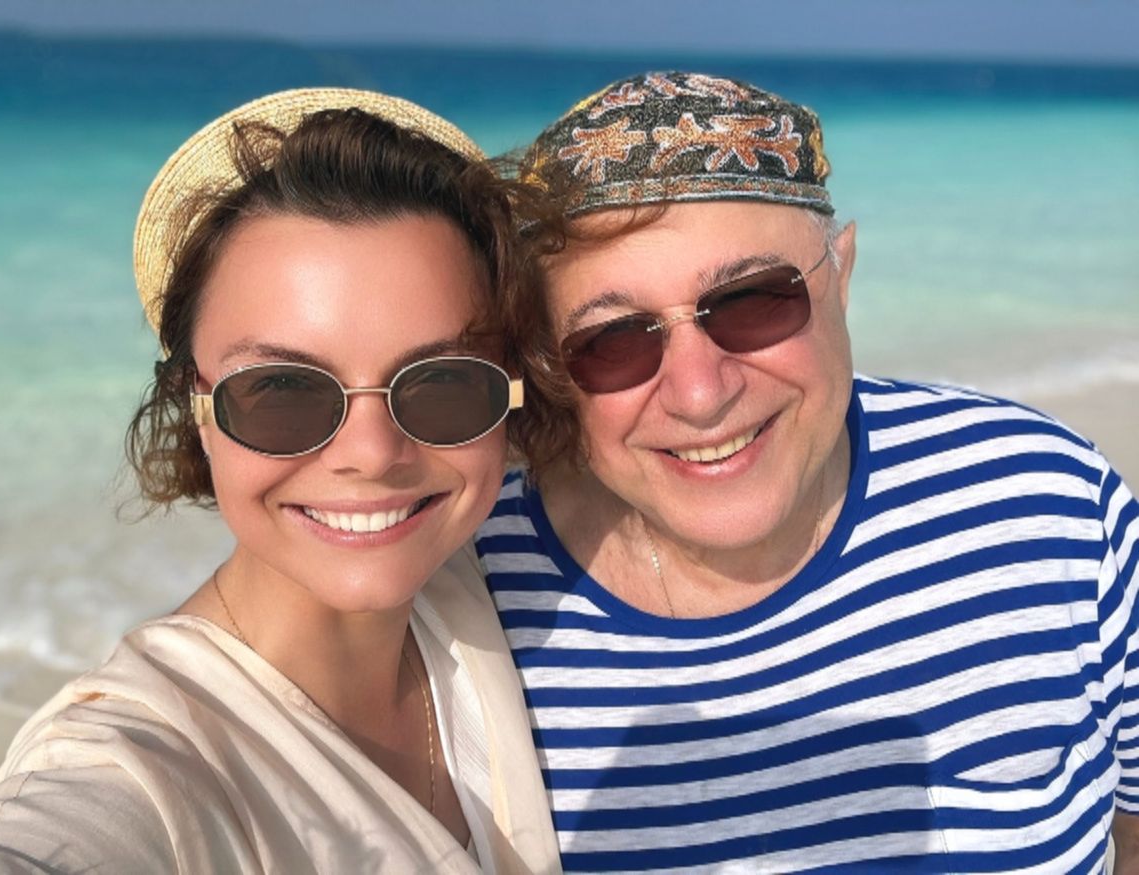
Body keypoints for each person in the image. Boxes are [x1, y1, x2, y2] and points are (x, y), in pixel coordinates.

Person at [476, 70, 1139, 871]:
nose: (699, 393)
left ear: (841, 274)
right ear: (550, 366)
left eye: (752, 302)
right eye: (613, 340)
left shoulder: (1044, 505)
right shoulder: (475, 603)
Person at [0, 88, 560, 874]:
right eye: (283, 389)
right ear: (198, 409)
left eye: (442, 382)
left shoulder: (495, 586)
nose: (371, 452)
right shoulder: (140, 763)